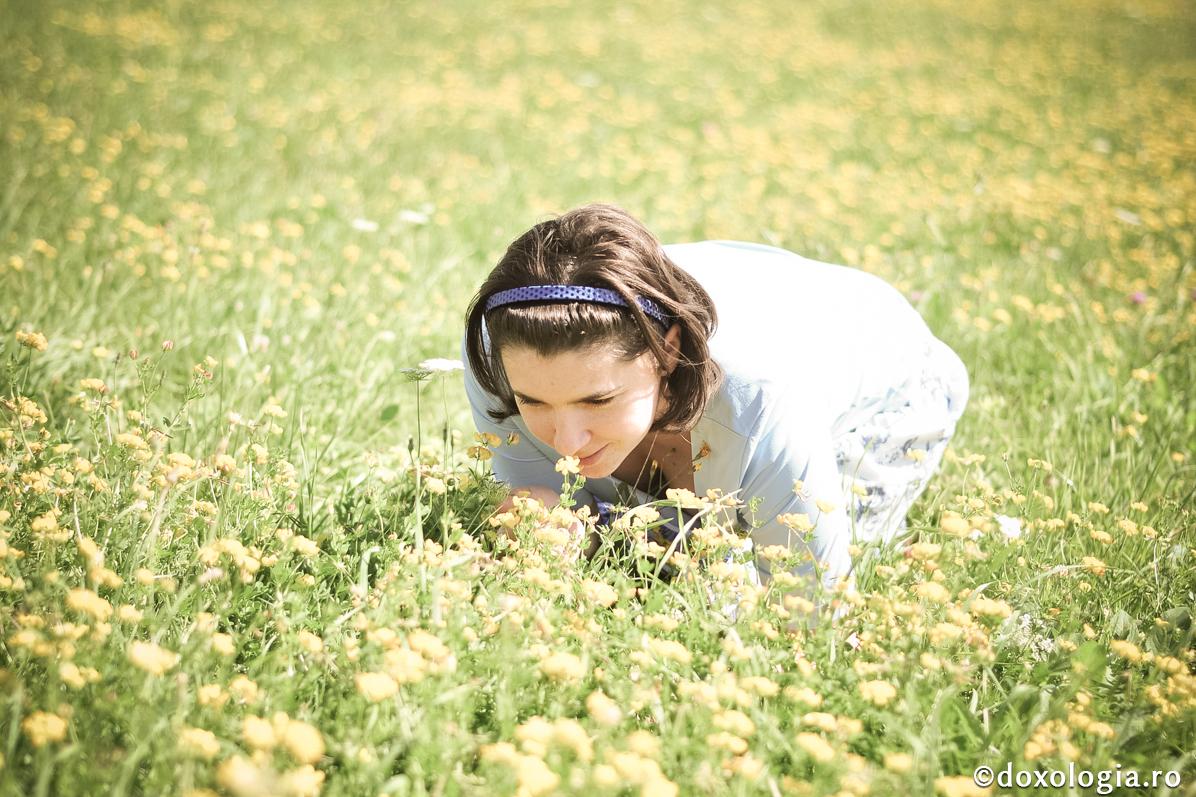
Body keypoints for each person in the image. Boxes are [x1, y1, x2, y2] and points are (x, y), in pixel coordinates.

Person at [461, 203, 968, 596]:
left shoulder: (764, 399)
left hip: (892, 386)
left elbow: (817, 614)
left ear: (668, 350)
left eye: (597, 400)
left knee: (736, 591)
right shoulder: (507, 355)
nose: (565, 442)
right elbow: (551, 513)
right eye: (536, 403)